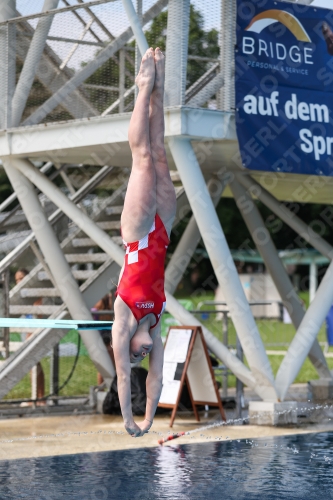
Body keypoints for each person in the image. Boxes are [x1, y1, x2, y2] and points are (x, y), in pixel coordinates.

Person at [111, 47, 176, 438]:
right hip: (163, 232)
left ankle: (142, 87)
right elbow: (156, 381)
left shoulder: (125, 318)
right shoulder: (156, 321)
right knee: (161, 156)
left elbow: (123, 376)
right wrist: (152, 418)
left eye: (137, 353)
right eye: (143, 356)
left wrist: (130, 421)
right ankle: (160, 89)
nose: (141, 354)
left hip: (137, 235)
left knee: (142, 159)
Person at [14, 269, 45, 404]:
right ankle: (36, 397)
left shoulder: (33, 293)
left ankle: (40, 397)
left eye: (21, 278)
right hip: (26, 330)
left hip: (33, 331)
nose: (19, 281)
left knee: (35, 363)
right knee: (32, 365)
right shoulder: (21, 295)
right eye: (17, 279)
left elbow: (38, 315)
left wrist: (31, 333)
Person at [91, 291, 115, 385]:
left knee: (109, 366)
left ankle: (106, 388)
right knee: (105, 367)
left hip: (107, 338)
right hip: (102, 339)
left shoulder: (109, 311)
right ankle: (102, 388)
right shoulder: (96, 311)